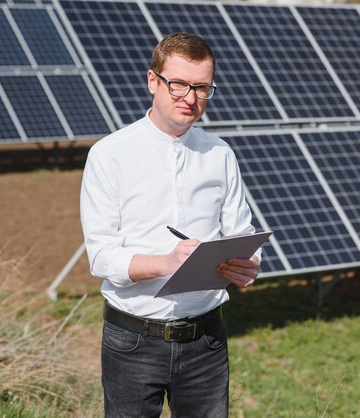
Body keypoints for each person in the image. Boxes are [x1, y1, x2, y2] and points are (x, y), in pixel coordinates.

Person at [80, 32, 261, 418]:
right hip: (132, 339)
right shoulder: (109, 155)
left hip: (207, 340)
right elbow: (101, 256)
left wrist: (248, 264)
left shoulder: (220, 153)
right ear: (152, 81)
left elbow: (241, 233)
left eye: (201, 87)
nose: (190, 98)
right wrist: (166, 263)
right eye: (178, 84)